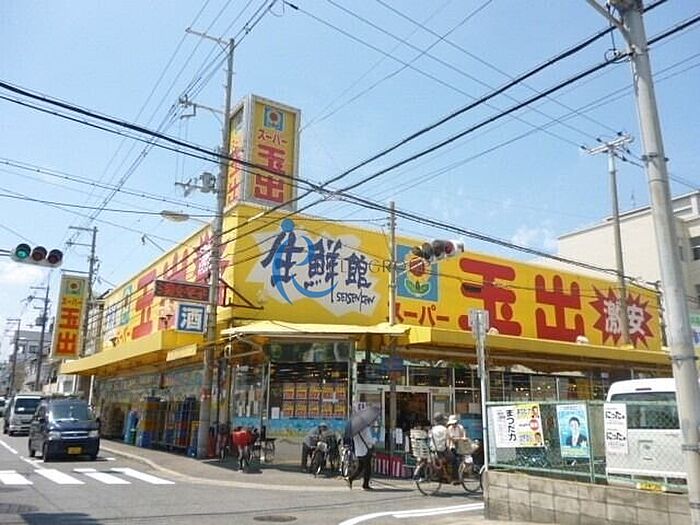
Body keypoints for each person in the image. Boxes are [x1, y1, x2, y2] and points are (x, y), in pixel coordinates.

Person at [347, 425, 376, 490]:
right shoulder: (365, 429)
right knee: (367, 468)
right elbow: (369, 440)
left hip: (358, 451)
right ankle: (365, 485)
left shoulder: (354, 431)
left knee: (360, 468)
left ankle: (350, 478)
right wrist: (374, 440)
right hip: (365, 451)